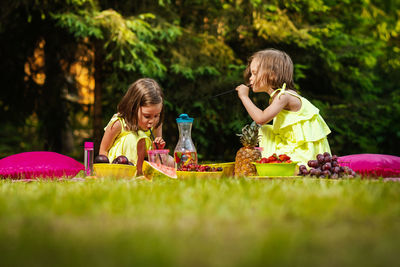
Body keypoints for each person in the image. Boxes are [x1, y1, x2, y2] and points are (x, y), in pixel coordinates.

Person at [235, 48, 331, 166]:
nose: (250, 78)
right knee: (265, 130)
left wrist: (244, 97)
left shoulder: (283, 96)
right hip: (293, 144)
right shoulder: (278, 97)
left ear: (272, 75)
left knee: (263, 128)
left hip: (304, 151)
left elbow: (261, 119)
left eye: (254, 73)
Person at [99, 78, 168, 175]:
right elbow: (103, 150)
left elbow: (157, 159)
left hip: (144, 166)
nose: (152, 121)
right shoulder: (119, 123)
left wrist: (158, 150)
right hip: (118, 167)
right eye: (147, 116)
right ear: (133, 108)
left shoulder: (156, 124)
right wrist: (104, 173)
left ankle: (142, 174)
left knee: (169, 160)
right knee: (134, 138)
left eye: (156, 115)